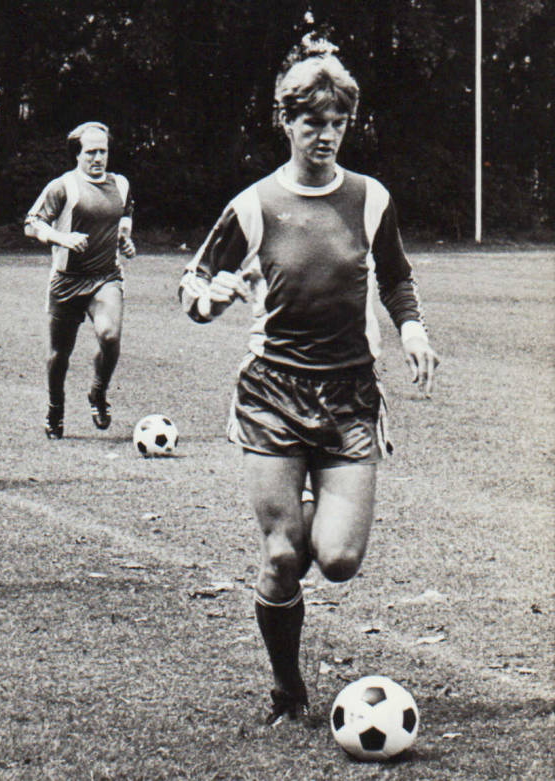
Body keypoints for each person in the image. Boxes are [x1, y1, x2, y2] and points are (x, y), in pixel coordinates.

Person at [178, 36, 440, 725]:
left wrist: (411, 328)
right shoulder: (255, 204)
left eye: (337, 122)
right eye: (311, 121)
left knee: (339, 557)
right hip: (271, 395)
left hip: (351, 396)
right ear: (285, 120)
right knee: (283, 551)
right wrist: (212, 299)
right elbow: (193, 286)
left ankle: (318, 514)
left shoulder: (371, 198)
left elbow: (399, 275)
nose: (324, 135)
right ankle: (288, 690)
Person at [25, 122, 135, 439]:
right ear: (78, 153)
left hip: (106, 277)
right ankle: (55, 409)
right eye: (91, 152)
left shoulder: (122, 185)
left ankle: (98, 393)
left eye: (103, 151)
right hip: (67, 281)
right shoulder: (63, 187)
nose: (98, 158)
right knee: (59, 355)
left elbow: (123, 220)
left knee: (110, 336)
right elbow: (31, 225)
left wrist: (125, 242)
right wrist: (62, 238)